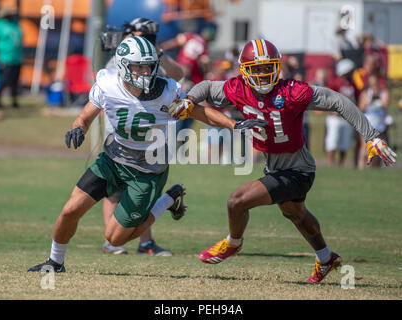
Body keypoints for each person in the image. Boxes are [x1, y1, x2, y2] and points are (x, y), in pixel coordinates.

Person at [27, 36, 264, 272]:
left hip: (147, 171)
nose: (144, 71)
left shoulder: (166, 91)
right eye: (138, 66)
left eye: (148, 65)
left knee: (115, 239)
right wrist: (78, 129)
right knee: (70, 210)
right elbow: (85, 116)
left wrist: (234, 125)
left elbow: (200, 112)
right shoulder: (108, 84)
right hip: (113, 159)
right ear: (122, 66)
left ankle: (168, 200)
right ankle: (55, 262)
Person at [169, 38, 397, 283]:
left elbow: (337, 101)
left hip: (298, 169)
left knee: (237, 201)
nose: (264, 74)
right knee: (295, 212)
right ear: (244, 70)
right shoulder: (237, 88)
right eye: (256, 69)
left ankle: (233, 243)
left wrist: (371, 136)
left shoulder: (292, 91)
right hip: (275, 167)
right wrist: (190, 99)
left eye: (268, 67)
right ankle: (325, 257)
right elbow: (204, 86)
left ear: (277, 67)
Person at [102, 18, 184, 255]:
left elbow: (179, 75)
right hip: (119, 136)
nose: (143, 41)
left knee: (141, 194)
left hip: (149, 138)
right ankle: (112, 241)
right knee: (115, 191)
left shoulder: (152, 60)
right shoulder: (119, 59)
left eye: (147, 37)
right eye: (138, 36)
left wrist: (156, 51)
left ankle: (145, 243)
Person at [325, 59, 357, 167]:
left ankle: (341, 165)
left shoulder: (352, 83)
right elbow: (327, 98)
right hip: (335, 117)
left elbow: (356, 97)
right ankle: (331, 164)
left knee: (345, 142)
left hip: (347, 117)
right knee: (333, 141)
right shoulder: (335, 82)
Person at [357, 74, 390, 169]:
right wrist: (369, 102)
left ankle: (376, 169)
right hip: (368, 123)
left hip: (379, 124)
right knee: (364, 147)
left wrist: (377, 97)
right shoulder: (366, 94)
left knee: (380, 148)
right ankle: (361, 168)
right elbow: (361, 108)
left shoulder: (383, 92)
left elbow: (385, 104)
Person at [0, 7, 23, 109]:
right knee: (3, 81)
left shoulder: (15, 25)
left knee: (15, 82)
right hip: (4, 58)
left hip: (16, 58)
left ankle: (14, 102)